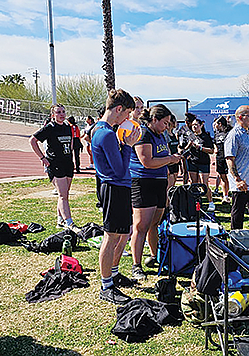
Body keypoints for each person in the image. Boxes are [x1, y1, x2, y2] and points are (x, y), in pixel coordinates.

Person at [91, 88, 140, 305]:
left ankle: (114, 273)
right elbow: (119, 170)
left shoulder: (104, 131)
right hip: (113, 188)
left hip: (118, 187)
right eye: (127, 113)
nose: (128, 119)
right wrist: (128, 146)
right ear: (118, 109)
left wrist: (123, 146)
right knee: (111, 237)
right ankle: (106, 285)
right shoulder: (106, 133)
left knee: (122, 234)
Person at [129, 104, 181, 281]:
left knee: (155, 224)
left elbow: (160, 161)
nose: (166, 127)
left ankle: (154, 256)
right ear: (154, 119)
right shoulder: (144, 133)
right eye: (164, 123)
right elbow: (147, 161)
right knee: (141, 226)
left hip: (159, 183)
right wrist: (170, 159)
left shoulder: (161, 135)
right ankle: (136, 265)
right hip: (143, 183)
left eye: (168, 124)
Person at [29, 104, 79, 232]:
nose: (61, 114)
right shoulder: (49, 128)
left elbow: (71, 143)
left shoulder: (68, 127)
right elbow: (33, 141)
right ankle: (69, 222)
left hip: (67, 163)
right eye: (58, 112)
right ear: (53, 115)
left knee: (64, 195)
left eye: (63, 112)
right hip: (55, 164)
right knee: (63, 195)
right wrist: (42, 158)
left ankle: (60, 220)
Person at [184, 117, 215, 211]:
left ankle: (210, 202)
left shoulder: (206, 136)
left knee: (204, 184)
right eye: (193, 125)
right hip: (192, 162)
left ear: (201, 125)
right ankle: (196, 203)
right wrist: (188, 146)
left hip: (203, 162)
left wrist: (201, 148)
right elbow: (184, 149)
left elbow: (212, 150)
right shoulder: (190, 136)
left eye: (196, 125)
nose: (194, 127)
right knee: (194, 183)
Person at [213, 116, 231, 203]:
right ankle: (225, 196)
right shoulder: (216, 133)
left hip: (229, 157)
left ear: (220, 124)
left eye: (216, 123)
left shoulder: (229, 132)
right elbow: (215, 143)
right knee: (222, 177)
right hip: (219, 158)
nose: (214, 125)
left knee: (232, 177)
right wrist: (215, 148)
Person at [177, 112, 196, 184]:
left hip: (194, 153)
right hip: (185, 152)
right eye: (187, 122)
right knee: (185, 171)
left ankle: (194, 186)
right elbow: (179, 138)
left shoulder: (194, 128)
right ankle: (185, 185)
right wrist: (182, 148)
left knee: (194, 173)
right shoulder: (183, 129)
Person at [166, 114, 180, 192]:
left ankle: (170, 202)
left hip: (175, 161)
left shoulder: (173, 134)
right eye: (175, 121)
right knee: (169, 186)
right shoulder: (165, 134)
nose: (176, 123)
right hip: (170, 161)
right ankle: (166, 203)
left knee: (173, 184)